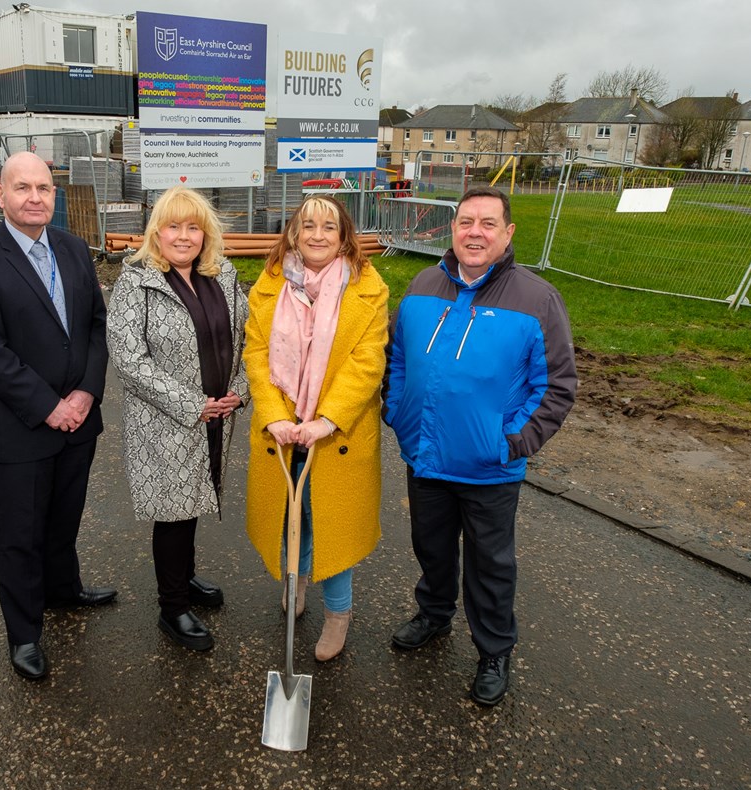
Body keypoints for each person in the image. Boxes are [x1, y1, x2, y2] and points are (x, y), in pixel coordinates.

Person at [384, 186, 577, 706]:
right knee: (432, 547)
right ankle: (434, 613)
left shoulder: (536, 300)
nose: (475, 232)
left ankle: (494, 649)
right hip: (425, 454)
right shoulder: (423, 285)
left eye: (488, 223)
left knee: (491, 565)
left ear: (508, 233)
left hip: (490, 466)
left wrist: (513, 441)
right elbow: (397, 359)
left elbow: (557, 385)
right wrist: (397, 413)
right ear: (452, 228)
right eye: (466, 221)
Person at [0, 152, 115, 681]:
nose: (35, 197)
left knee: (64, 518)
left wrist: (87, 392)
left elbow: (94, 325)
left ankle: (63, 591)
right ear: (0, 195)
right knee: (19, 534)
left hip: (79, 421)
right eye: (22, 188)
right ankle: (24, 634)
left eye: (44, 187)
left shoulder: (72, 248)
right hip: (21, 427)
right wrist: (50, 407)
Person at [243, 195, 389, 662]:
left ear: (344, 235)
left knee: (333, 529)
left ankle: (338, 615)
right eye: (308, 226)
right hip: (284, 432)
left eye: (329, 227)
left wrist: (327, 420)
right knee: (294, 519)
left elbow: (368, 362)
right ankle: (297, 582)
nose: (318, 235)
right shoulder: (268, 287)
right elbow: (256, 355)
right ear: (293, 234)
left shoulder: (369, 289)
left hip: (338, 433)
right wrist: (275, 415)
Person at [106, 186, 249, 653]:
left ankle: (184, 581)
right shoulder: (136, 280)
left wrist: (238, 392)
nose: (184, 236)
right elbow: (129, 359)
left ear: (206, 234)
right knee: (172, 513)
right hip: (164, 422)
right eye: (174, 226)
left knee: (193, 504)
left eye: (194, 227)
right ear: (156, 232)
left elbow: (250, 340)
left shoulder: (222, 276)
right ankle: (173, 608)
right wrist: (192, 404)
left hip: (215, 418)